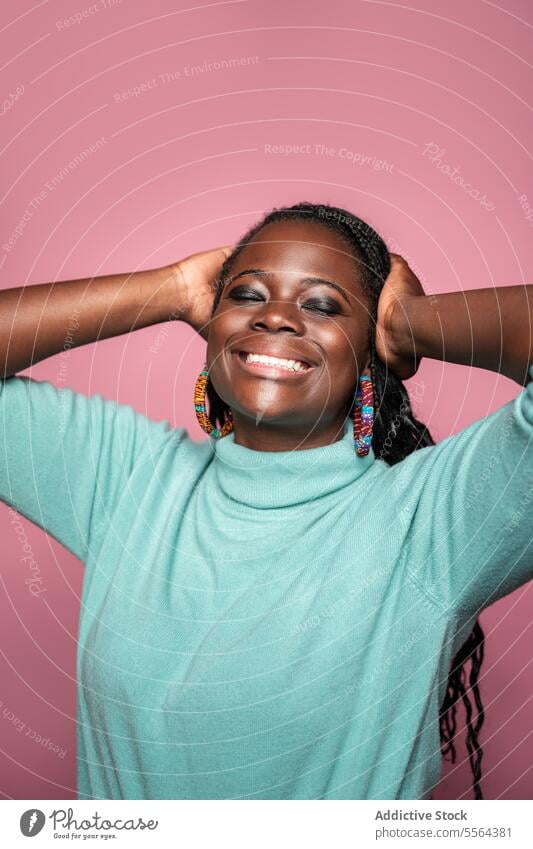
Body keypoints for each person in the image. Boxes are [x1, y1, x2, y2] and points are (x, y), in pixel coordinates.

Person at [1, 200, 532, 802]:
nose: (276, 317)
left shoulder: (432, 522)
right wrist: (170, 288)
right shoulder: (128, 479)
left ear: (368, 357)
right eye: (248, 296)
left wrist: (408, 324)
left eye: (323, 305)